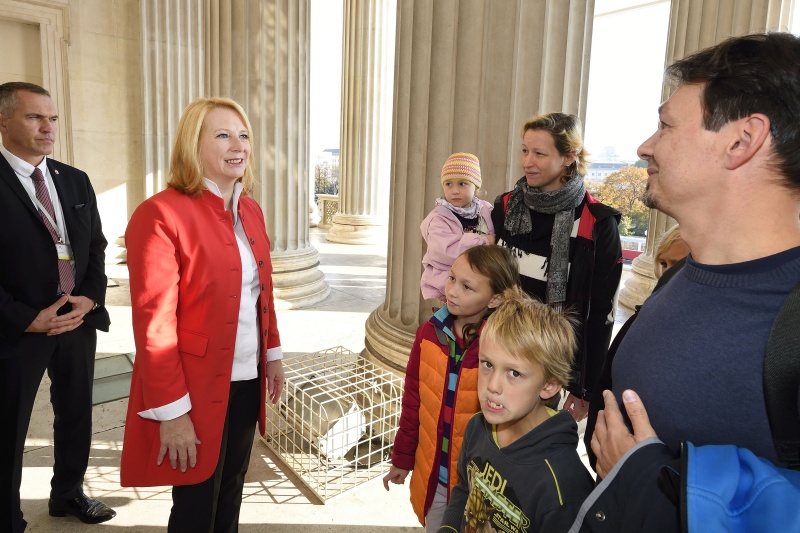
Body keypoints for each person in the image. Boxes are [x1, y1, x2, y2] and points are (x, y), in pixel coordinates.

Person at [574, 32, 800, 532]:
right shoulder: (680, 274)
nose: (645, 146)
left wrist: (647, 486)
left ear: (742, 140)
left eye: (666, 125)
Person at [120, 97, 285, 532]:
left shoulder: (250, 208)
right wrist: (171, 413)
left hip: (247, 377)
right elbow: (155, 326)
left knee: (231, 486)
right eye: (223, 135)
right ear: (194, 144)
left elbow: (261, 294)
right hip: (193, 386)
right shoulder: (160, 214)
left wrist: (272, 355)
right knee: (196, 501)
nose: (239, 145)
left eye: (244, 135)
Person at [0, 82, 114, 532]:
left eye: (52, 119)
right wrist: (25, 318)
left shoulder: (74, 178)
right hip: (18, 327)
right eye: (35, 117)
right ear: (3, 121)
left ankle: (68, 494)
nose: (48, 128)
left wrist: (91, 297)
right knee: (9, 427)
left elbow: (95, 246)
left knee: (76, 413)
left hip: (75, 320)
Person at [492, 113, 622, 422]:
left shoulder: (598, 225)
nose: (527, 162)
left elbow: (600, 313)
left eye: (539, 153)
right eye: (525, 151)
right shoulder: (506, 206)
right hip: (495, 352)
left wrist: (584, 388)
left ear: (568, 157)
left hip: (548, 369)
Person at [384, 245, 519, 532]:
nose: (453, 291)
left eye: (467, 287)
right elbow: (412, 403)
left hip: (479, 488)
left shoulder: (504, 350)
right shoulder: (427, 334)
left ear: (495, 298)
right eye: (452, 278)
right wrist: (402, 458)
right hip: (435, 479)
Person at [437, 287, 594, 533]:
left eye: (514, 373)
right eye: (487, 364)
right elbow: (464, 489)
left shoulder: (563, 487)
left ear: (549, 385)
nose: (492, 385)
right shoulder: (477, 427)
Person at [421, 152, 495, 303]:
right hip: (448, 282)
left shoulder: (486, 210)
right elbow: (447, 251)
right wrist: (485, 241)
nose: (454, 190)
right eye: (448, 184)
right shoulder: (438, 218)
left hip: (477, 280)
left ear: (476, 188)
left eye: (462, 184)